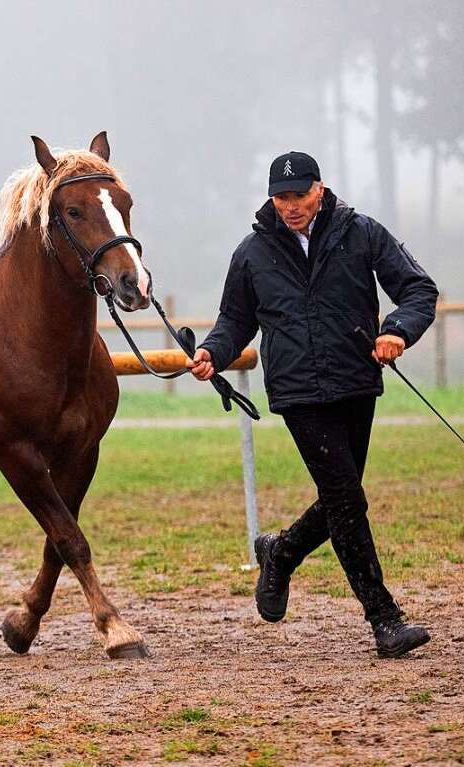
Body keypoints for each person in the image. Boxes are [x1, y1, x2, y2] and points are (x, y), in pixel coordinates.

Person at [188, 151, 438, 658]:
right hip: (298, 392)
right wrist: (213, 351)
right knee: (346, 499)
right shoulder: (251, 253)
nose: (290, 206)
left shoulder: (362, 233)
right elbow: (235, 320)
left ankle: (279, 553)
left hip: (356, 381)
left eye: (298, 195)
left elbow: (418, 289)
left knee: (342, 499)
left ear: (319, 190)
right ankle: (384, 619)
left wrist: (396, 332)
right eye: (280, 197)